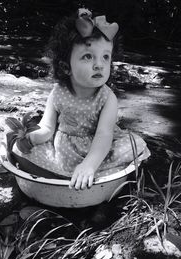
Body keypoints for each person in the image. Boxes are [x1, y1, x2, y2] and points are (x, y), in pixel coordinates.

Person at [12, 8, 150, 190]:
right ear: (65, 67)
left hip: (98, 150)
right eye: (87, 56)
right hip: (63, 153)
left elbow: (104, 135)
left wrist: (89, 164)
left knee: (135, 144)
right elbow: (47, 128)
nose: (99, 64)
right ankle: (64, 175)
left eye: (106, 57)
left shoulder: (107, 98)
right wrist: (31, 138)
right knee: (16, 148)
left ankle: (88, 174)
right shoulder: (58, 92)